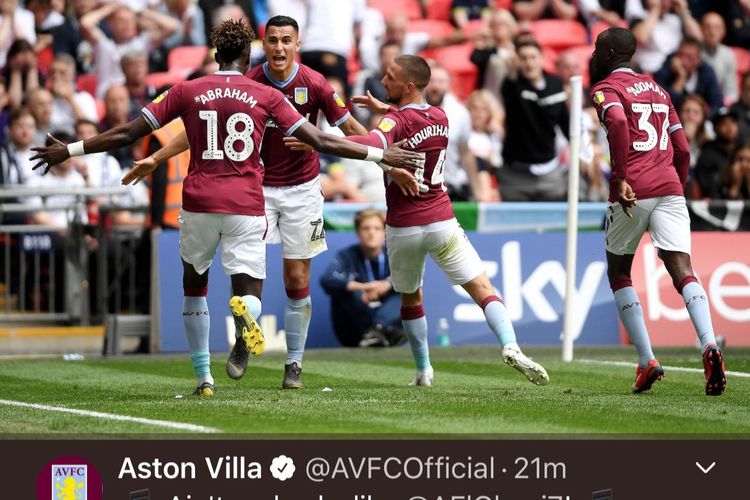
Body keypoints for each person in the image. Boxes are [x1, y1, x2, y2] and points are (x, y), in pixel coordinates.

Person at [29, 19, 421, 397]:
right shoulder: (266, 94)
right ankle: (246, 312)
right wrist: (382, 154)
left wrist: (70, 148)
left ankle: (204, 376)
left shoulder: (187, 89)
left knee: (194, 287)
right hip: (249, 201)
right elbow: (323, 139)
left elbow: (129, 132)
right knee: (249, 287)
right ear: (253, 55)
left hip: (202, 200)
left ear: (216, 52)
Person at [137, 15, 374, 390]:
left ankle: (293, 364)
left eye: (286, 41)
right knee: (245, 279)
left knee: (297, 278)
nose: (279, 47)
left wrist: (382, 157)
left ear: (297, 44)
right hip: (256, 190)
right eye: (273, 40)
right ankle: (244, 341)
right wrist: (160, 156)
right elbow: (206, 127)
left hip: (302, 188)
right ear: (263, 46)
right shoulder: (250, 81)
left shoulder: (315, 84)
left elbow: (349, 131)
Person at [342, 55, 550, 387]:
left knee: (411, 298)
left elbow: (375, 141)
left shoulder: (395, 121)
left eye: (390, 77)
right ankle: (510, 345)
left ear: (409, 86)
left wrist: (318, 140)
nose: (383, 80)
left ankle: (424, 370)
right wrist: (385, 108)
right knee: (483, 289)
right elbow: (410, 118)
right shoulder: (441, 116)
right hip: (441, 219)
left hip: (403, 226)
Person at [590, 27, 726, 396]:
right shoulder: (659, 89)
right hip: (669, 187)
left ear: (610, 53)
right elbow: (681, 146)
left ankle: (647, 360)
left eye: (599, 47)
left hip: (632, 190)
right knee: (683, 269)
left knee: (619, 272)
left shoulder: (605, 89)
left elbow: (617, 122)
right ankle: (710, 344)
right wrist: (675, 184)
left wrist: (620, 177)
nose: (594, 51)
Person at [320, 209, 405, 348]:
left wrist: (388, 284)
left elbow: (410, 276)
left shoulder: (394, 255)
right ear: (358, 232)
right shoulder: (346, 255)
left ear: (384, 233)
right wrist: (365, 287)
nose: (371, 233)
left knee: (407, 290)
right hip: (355, 330)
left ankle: (378, 330)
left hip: (390, 320)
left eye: (377, 228)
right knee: (345, 292)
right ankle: (379, 332)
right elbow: (327, 279)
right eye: (366, 228)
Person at [653, 36, 723, 116]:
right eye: (680, 55)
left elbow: (717, 103)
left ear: (698, 60)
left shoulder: (706, 72)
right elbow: (663, 106)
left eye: (689, 57)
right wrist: (680, 78)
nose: (683, 61)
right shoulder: (664, 71)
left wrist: (702, 118)